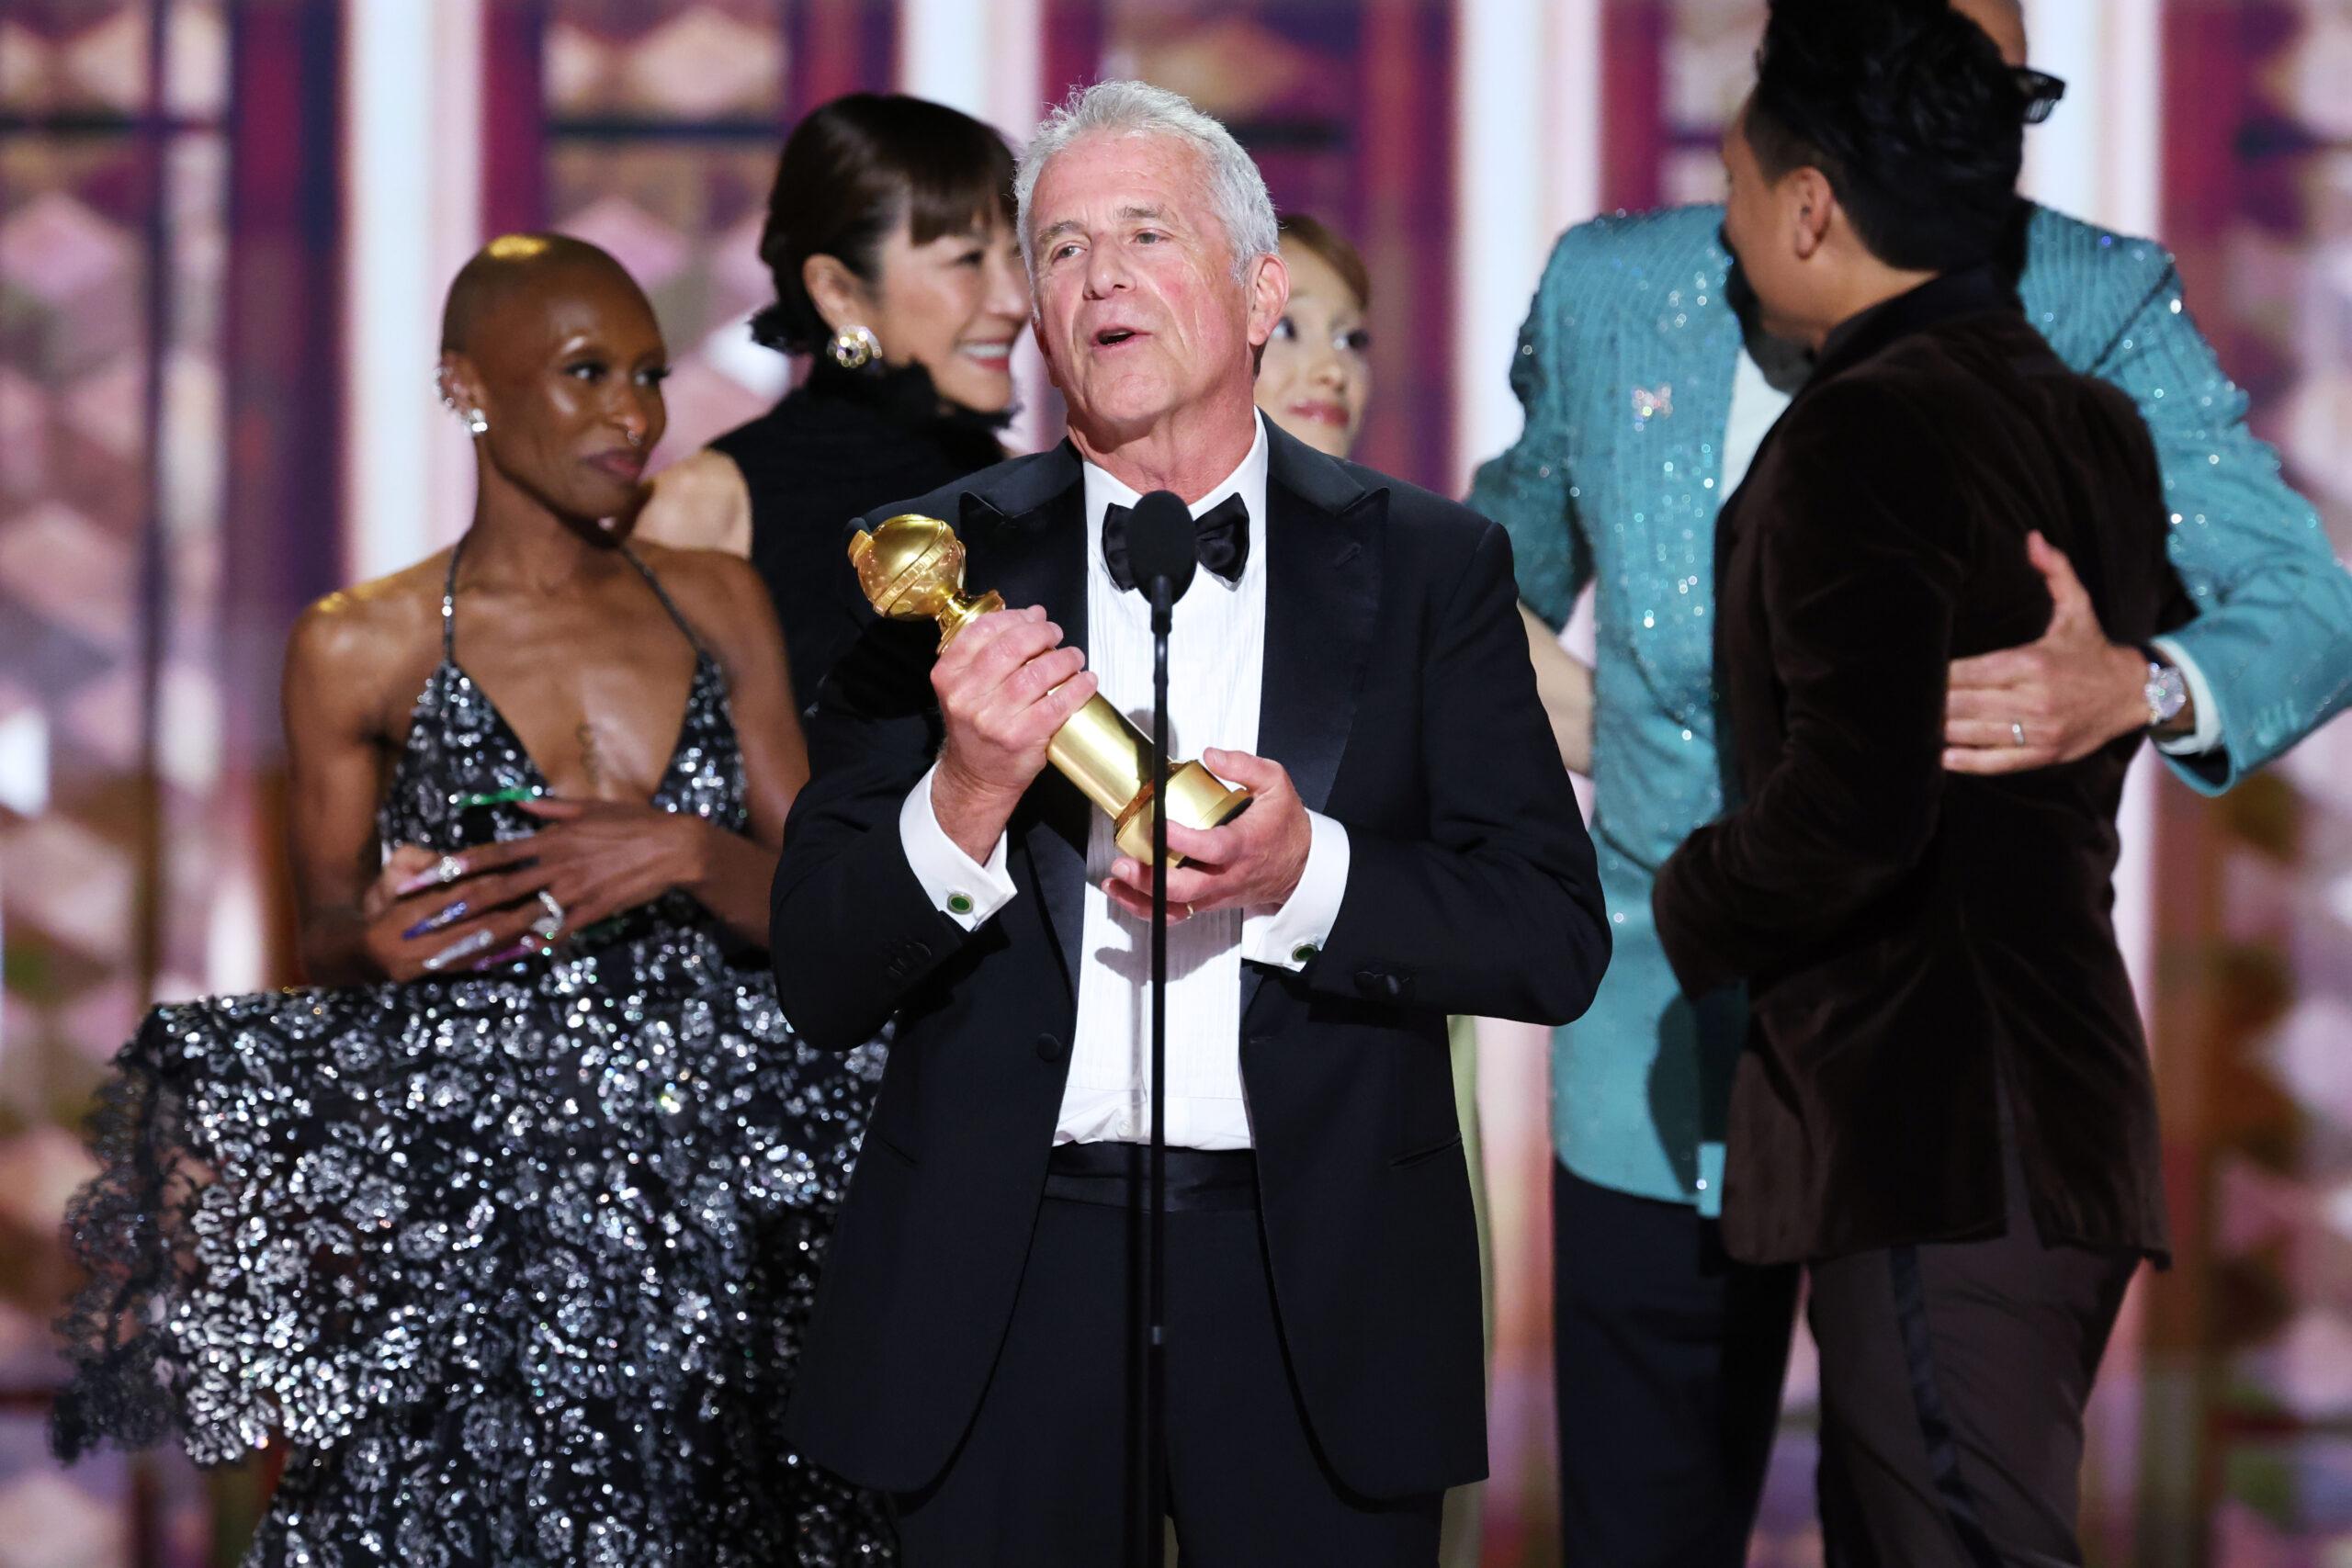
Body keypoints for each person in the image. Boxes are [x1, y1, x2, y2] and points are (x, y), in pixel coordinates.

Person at [1466, 0, 2352, 1559]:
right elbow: (1489, 586)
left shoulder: (2084, 305)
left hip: (1927, 1076)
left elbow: (2308, 603)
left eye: (1992, 85)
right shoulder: (1616, 286)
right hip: (1661, 1046)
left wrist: (2139, 680)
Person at [771, 81, 1609, 1565]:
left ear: (1261, 290)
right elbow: (822, 971)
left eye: (1146, 234)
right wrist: (964, 795)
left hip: (1318, 1290)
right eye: (1062, 247)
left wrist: (1307, 874)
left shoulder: (1433, 566)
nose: (1100, 276)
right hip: (1003, 1287)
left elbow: (1551, 936)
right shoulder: (933, 563)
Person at [52, 234, 895, 1565]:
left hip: (719, 1193)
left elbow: (823, 910)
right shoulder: (358, 642)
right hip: (481, 1220)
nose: (634, 414)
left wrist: (687, 852)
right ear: (467, 386)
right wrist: (372, 941)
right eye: (586, 372)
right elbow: (327, 935)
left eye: (648, 375)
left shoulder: (717, 601)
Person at [1652, 3, 2174, 1559]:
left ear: (1811, 206)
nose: (1727, 222)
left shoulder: (1864, 427)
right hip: (2056, 1126)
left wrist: (1689, 895)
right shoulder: (2094, 422)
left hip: (1936, 1133)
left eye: (1737, 184)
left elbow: (1855, 812)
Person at [1250, 209, 1487, 1568]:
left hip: (1381, 1074)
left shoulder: (1428, 569)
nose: (1329, 363)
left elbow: (1525, 867)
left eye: (1352, 334)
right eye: (1290, 327)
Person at [634, 93, 1027, 714]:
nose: (1014, 301)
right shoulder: (701, 511)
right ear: (838, 291)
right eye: (967, 261)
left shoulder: (1029, 491)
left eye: (1017, 255)